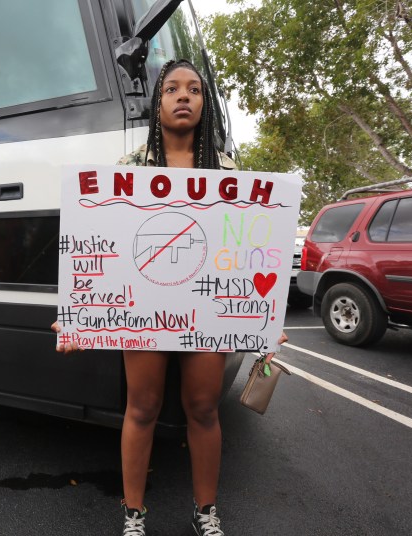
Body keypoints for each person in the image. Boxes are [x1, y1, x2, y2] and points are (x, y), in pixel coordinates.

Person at [53, 59, 287, 536]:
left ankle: (206, 512)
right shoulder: (130, 170)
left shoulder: (228, 173)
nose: (184, 96)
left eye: (195, 89)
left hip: (204, 311)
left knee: (203, 407)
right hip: (147, 310)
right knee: (142, 407)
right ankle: (134, 514)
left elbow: (246, 253)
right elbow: (101, 248)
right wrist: (81, 317)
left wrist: (261, 317)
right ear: (157, 102)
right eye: (173, 89)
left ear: (205, 103)